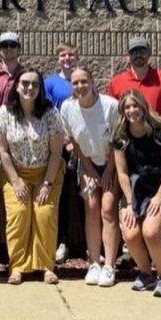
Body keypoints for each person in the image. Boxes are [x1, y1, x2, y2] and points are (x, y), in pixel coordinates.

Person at [0, 69, 65, 284]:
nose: (29, 88)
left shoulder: (50, 114)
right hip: (15, 174)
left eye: (35, 84)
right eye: (25, 83)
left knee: (44, 214)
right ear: (16, 86)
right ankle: (17, 266)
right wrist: (16, 181)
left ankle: (46, 266)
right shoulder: (5, 113)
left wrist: (47, 184)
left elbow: (56, 153)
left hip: (48, 173)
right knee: (19, 213)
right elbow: (3, 151)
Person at [113, 90, 161, 296]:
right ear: (123, 111)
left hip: (159, 191)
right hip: (134, 193)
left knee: (150, 232)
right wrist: (130, 204)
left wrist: (160, 196)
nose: (132, 111)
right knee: (131, 234)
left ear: (143, 107)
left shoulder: (160, 133)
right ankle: (145, 274)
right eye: (127, 107)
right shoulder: (121, 139)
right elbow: (122, 173)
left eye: (136, 106)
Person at [60, 66, 120, 287]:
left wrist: (108, 172)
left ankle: (110, 265)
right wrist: (90, 169)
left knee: (108, 209)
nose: (80, 87)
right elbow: (73, 141)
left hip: (112, 162)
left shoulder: (110, 106)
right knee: (92, 209)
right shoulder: (68, 108)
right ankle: (94, 262)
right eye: (75, 83)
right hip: (87, 165)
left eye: (84, 81)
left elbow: (118, 141)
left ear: (92, 81)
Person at [0, 31, 25, 263]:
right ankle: (3, 243)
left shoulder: (27, 76)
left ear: (19, 48)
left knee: (22, 191)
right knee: (2, 194)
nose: (8, 49)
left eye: (12, 45)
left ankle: (20, 242)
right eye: (4, 45)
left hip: (23, 144)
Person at [44, 42, 82, 264]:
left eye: (71, 54)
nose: (67, 58)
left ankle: (85, 244)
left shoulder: (81, 81)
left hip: (80, 148)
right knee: (60, 196)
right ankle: (60, 242)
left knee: (81, 197)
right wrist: (63, 139)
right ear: (58, 59)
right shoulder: (50, 83)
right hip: (59, 147)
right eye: (63, 55)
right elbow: (49, 113)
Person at [106, 35, 161, 115]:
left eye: (142, 51)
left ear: (149, 53)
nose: (138, 55)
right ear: (128, 56)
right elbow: (111, 114)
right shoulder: (116, 83)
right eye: (134, 52)